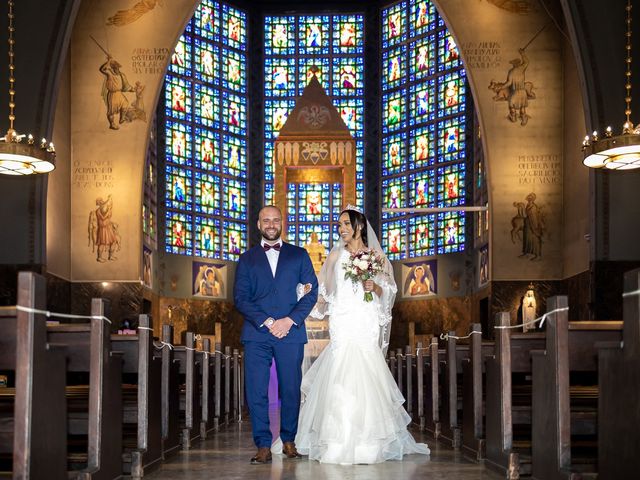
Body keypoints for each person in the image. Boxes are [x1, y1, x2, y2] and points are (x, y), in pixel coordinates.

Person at [292, 206, 429, 464]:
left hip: (365, 318)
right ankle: (337, 440)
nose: (341, 228)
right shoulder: (334, 257)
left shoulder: (376, 255)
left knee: (367, 368)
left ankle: (370, 441)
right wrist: (309, 296)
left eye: (345, 223)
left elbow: (388, 291)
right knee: (341, 370)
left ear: (359, 226)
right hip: (343, 318)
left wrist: (374, 286)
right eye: (339, 224)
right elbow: (327, 292)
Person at [233, 205, 318, 465]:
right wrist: (268, 321)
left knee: (290, 388)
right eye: (266, 220)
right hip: (257, 334)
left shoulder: (299, 255)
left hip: (290, 333)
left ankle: (289, 439)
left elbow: (311, 293)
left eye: (275, 220)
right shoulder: (246, 259)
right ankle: (262, 444)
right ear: (258, 224)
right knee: (257, 390)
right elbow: (241, 298)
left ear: (282, 223)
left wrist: (289, 321)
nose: (271, 224)